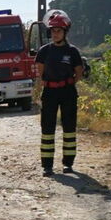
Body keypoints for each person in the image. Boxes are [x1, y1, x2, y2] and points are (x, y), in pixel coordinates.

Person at [34, 9, 84, 176]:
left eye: (58, 31)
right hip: (50, 92)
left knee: (69, 128)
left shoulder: (73, 52)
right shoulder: (44, 51)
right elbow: (40, 72)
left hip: (68, 92)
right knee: (47, 129)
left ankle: (68, 164)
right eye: (53, 31)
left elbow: (78, 72)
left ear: (65, 32)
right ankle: (47, 166)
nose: (55, 34)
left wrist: (67, 83)